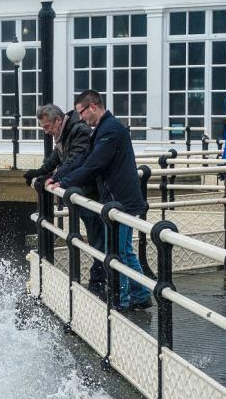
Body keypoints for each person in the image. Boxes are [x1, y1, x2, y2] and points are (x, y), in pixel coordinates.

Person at [48, 90, 152, 312]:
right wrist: (57, 178)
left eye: (82, 112)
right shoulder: (103, 130)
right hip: (118, 200)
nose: (81, 118)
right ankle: (141, 294)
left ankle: (121, 301)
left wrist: (64, 182)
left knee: (117, 250)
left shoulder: (110, 130)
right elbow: (85, 160)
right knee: (123, 249)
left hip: (120, 201)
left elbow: (94, 165)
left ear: (93, 106)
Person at [23, 104, 104, 294]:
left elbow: (76, 160)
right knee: (95, 237)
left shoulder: (79, 130)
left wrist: (54, 178)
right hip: (81, 191)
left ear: (58, 121)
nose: (46, 131)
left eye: (46, 127)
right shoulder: (65, 132)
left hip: (90, 193)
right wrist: (40, 172)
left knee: (98, 237)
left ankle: (100, 282)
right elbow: (57, 157)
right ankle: (99, 279)